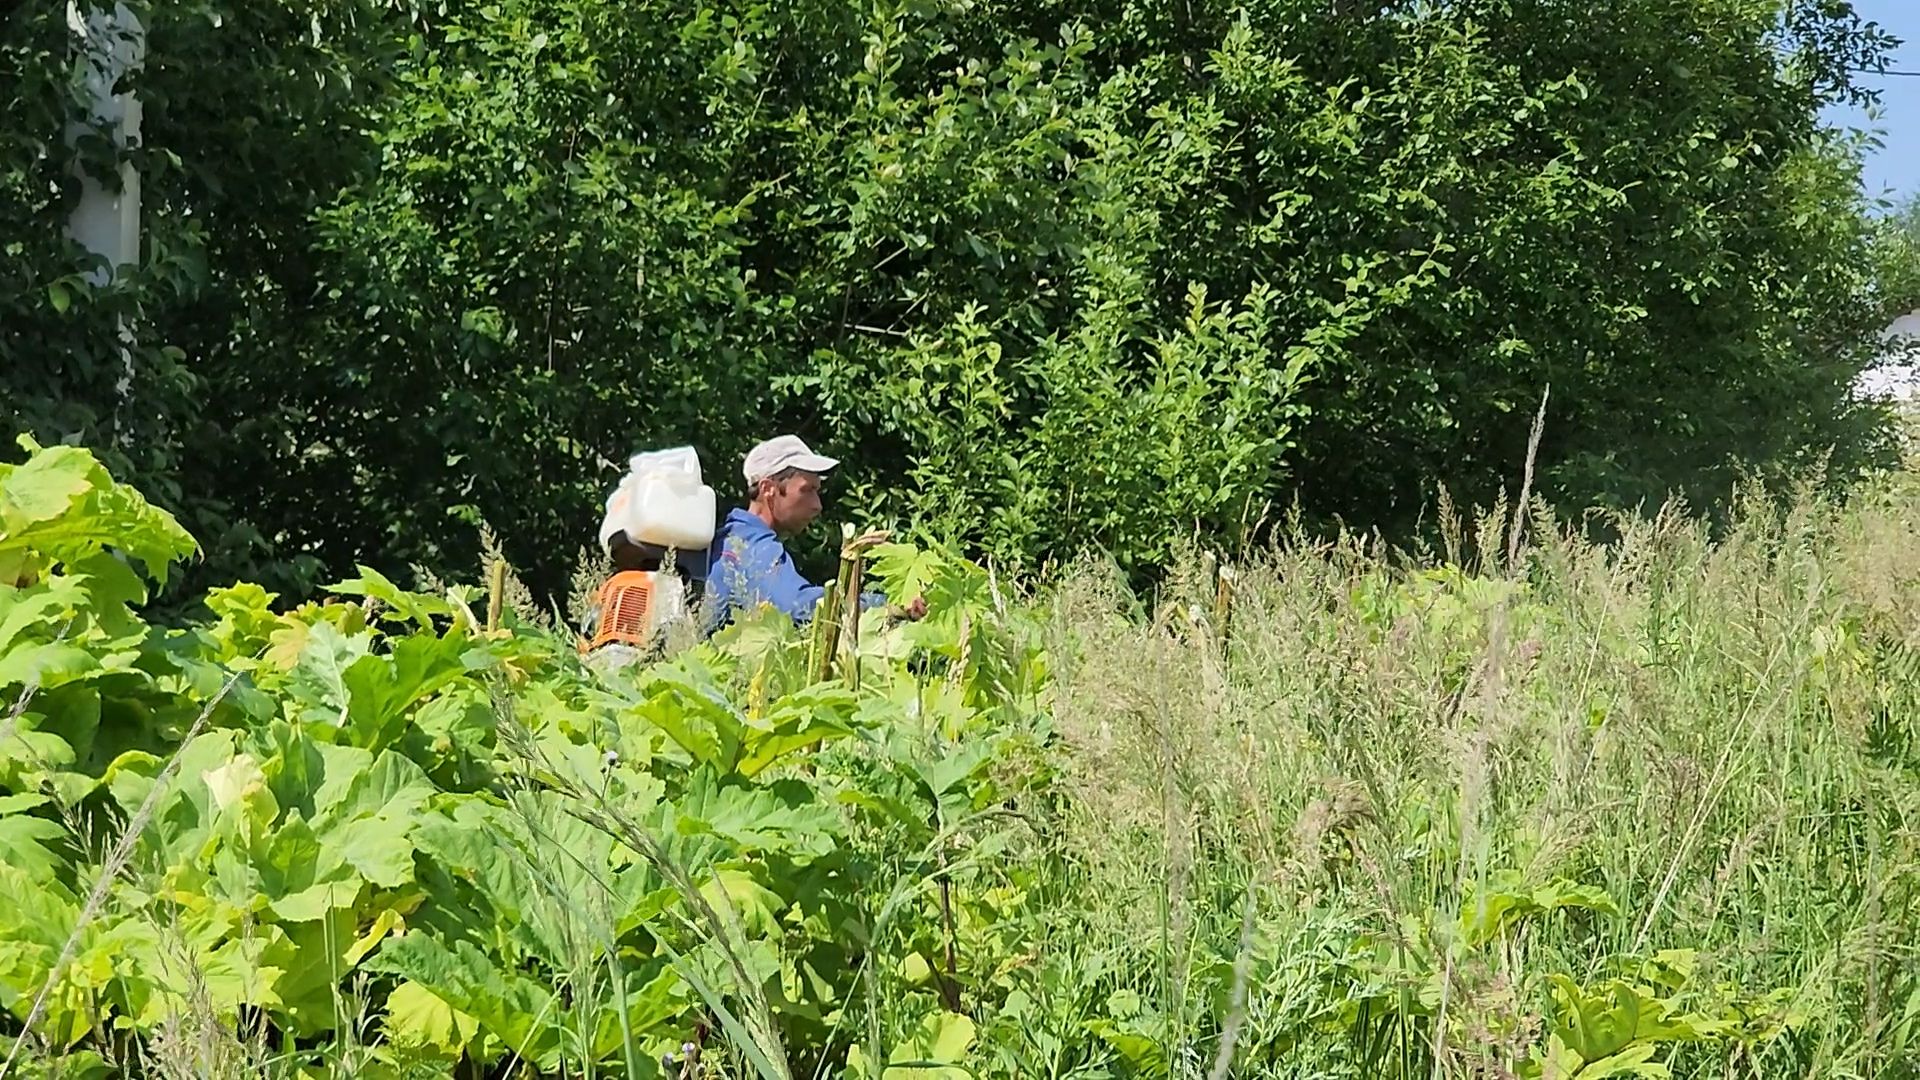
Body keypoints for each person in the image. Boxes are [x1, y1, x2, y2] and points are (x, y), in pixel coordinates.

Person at [704, 434, 926, 629]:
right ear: (768, 489)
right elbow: (798, 607)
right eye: (807, 490)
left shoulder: (731, 538)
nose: (817, 505)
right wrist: (890, 605)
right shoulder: (751, 547)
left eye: (817, 492)